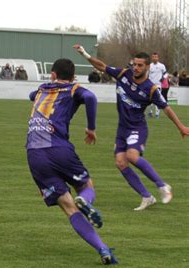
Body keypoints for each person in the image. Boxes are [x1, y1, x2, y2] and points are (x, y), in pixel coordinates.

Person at [75, 44, 189, 210]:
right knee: (121, 162)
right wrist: (84, 54)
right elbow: (102, 66)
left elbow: (166, 109)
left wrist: (181, 127)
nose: (135, 68)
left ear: (147, 67)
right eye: (134, 64)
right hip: (122, 128)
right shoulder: (123, 74)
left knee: (132, 155)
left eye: (140, 65)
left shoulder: (151, 89)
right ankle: (146, 197)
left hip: (137, 127)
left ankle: (162, 185)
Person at [26, 58, 117, 265]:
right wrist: (91, 128)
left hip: (34, 155)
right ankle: (85, 198)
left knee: (69, 208)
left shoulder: (41, 89)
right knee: (87, 185)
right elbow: (91, 97)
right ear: (73, 77)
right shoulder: (73, 89)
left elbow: (32, 95)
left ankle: (102, 248)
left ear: (52, 75)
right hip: (59, 149)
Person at [147, 53, 167, 118]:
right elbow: (146, 75)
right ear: (152, 58)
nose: (154, 58)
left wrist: (162, 78)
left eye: (156, 57)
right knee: (149, 100)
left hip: (158, 85)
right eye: (153, 57)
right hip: (150, 85)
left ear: (158, 58)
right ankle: (150, 112)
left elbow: (166, 74)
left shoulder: (162, 66)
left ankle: (157, 114)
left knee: (157, 99)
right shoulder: (149, 66)